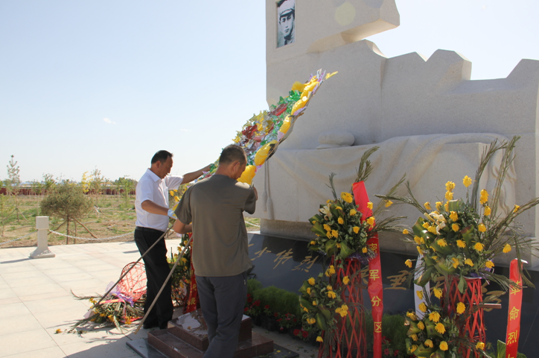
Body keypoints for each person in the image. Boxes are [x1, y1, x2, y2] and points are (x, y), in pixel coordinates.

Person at [173, 144, 257, 358]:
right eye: (242, 169)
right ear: (235, 165)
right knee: (228, 331)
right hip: (229, 272)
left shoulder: (194, 190)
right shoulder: (241, 190)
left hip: (202, 271)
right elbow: (252, 198)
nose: (240, 173)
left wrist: (201, 224)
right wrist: (248, 182)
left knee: (214, 329)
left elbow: (179, 228)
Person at [135, 150, 210, 329]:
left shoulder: (162, 180)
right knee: (162, 278)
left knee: (155, 279)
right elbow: (145, 204)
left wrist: (204, 171)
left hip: (155, 234)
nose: (169, 171)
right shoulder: (146, 181)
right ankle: (165, 322)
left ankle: (150, 319)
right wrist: (168, 212)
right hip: (147, 234)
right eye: (168, 167)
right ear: (158, 164)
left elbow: (184, 178)